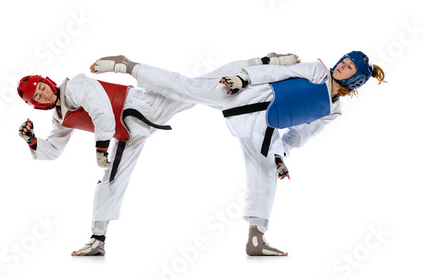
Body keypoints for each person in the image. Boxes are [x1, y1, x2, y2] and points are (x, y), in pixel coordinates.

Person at [90, 51, 386, 256]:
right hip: (242, 92)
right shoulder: (318, 70)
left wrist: (281, 156)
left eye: (348, 67)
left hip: (263, 127)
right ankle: (127, 66)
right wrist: (244, 78)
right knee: (187, 87)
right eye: (344, 60)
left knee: (265, 171)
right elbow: (279, 71)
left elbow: (301, 135)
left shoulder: (334, 110)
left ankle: (256, 237)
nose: (342, 65)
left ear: (355, 80)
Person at [17, 73, 194, 256]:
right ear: (37, 104)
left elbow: (101, 110)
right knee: (110, 181)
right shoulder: (59, 117)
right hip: (126, 131)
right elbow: (54, 148)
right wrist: (32, 140)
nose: (44, 94)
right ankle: (97, 241)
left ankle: (223, 84)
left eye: (42, 88)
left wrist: (101, 147)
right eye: (38, 96)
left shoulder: (74, 87)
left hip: (136, 106)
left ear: (48, 82)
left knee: (190, 93)